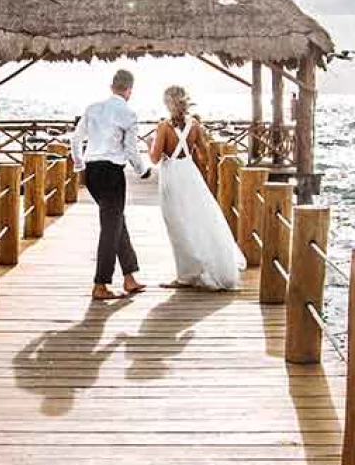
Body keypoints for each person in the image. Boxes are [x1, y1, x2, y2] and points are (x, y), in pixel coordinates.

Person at [150, 85, 244, 291]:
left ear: (168, 103)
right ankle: (202, 265)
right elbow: (203, 155)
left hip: (172, 176)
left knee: (176, 224)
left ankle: (185, 275)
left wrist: (152, 144)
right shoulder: (195, 125)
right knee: (199, 220)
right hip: (190, 175)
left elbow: (155, 159)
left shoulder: (163, 127)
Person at [71, 67, 148, 301]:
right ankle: (100, 284)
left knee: (115, 222)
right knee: (110, 227)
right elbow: (131, 150)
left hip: (92, 172)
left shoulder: (92, 108)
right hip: (112, 173)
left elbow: (75, 139)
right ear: (129, 90)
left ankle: (129, 277)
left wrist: (79, 166)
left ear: (112, 86)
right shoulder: (128, 114)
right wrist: (142, 170)